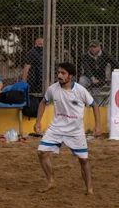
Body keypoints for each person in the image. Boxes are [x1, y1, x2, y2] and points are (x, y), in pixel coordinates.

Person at [34, 62, 101, 195]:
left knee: (83, 160)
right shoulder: (52, 89)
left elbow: (95, 106)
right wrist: (38, 122)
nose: (59, 75)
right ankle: (51, 181)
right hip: (56, 129)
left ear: (70, 76)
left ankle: (89, 189)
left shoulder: (80, 90)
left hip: (75, 131)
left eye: (63, 73)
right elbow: (43, 102)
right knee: (41, 152)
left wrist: (97, 125)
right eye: (58, 72)